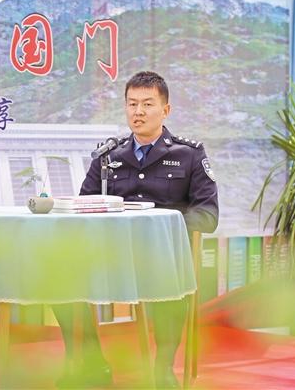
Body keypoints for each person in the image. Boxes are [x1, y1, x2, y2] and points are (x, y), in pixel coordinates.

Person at [52, 70, 219, 389]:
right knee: (61, 276)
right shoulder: (108, 156)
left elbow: (208, 215)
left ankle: (162, 369)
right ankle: (90, 361)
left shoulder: (189, 155)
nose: (138, 112)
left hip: (161, 257)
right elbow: (84, 205)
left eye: (147, 104)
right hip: (111, 256)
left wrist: (162, 224)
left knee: (170, 276)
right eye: (132, 104)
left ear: (165, 110)